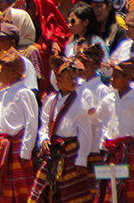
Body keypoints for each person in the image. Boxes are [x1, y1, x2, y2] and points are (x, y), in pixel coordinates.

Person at [29, 55, 94, 203]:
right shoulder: (51, 100)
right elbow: (44, 123)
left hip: (71, 154)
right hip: (53, 153)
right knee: (43, 192)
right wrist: (44, 138)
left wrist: (81, 159)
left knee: (72, 196)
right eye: (68, 77)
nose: (73, 81)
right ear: (58, 81)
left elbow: (85, 134)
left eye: (74, 77)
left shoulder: (79, 103)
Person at [0, 49, 38, 203]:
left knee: (20, 193)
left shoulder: (24, 93)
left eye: (4, 69)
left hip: (17, 147)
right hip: (2, 147)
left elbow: (31, 123)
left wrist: (26, 151)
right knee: (2, 192)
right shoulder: (2, 92)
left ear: (14, 72)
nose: (0, 72)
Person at [96, 59, 134, 203]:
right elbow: (99, 119)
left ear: (128, 79)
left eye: (116, 76)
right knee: (111, 191)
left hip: (130, 151)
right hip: (113, 151)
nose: (112, 79)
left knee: (132, 193)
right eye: (112, 76)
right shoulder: (109, 98)